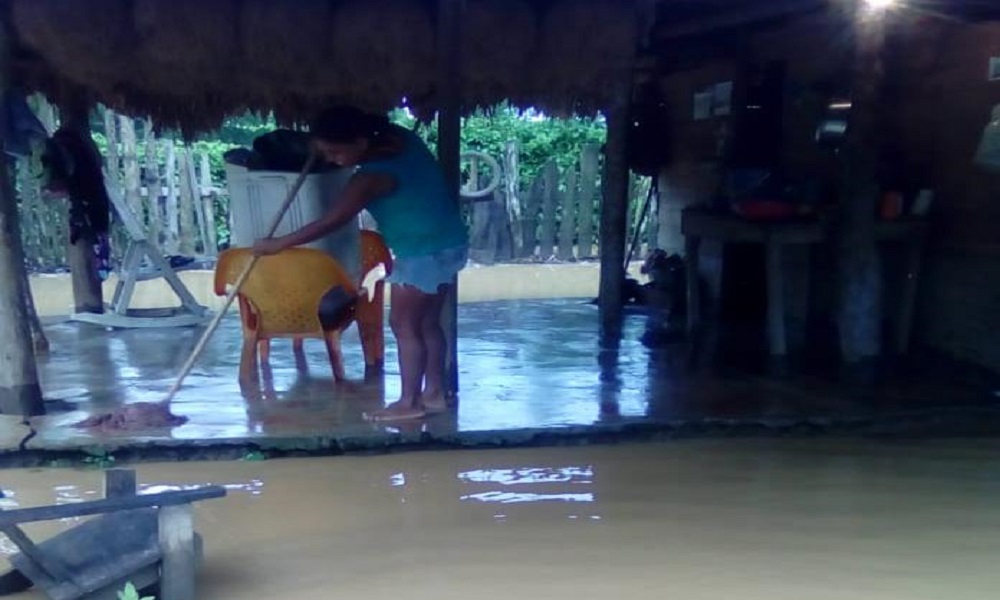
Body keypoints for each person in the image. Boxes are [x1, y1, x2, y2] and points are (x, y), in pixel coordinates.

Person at [252, 105, 468, 422]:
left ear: (360, 141)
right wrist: (319, 144)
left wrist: (277, 244)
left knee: (404, 326)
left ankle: (409, 403)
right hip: (448, 243)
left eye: (336, 151)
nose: (331, 159)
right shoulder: (399, 138)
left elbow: (333, 220)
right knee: (426, 325)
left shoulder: (371, 177)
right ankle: (433, 395)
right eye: (325, 152)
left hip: (423, 254)